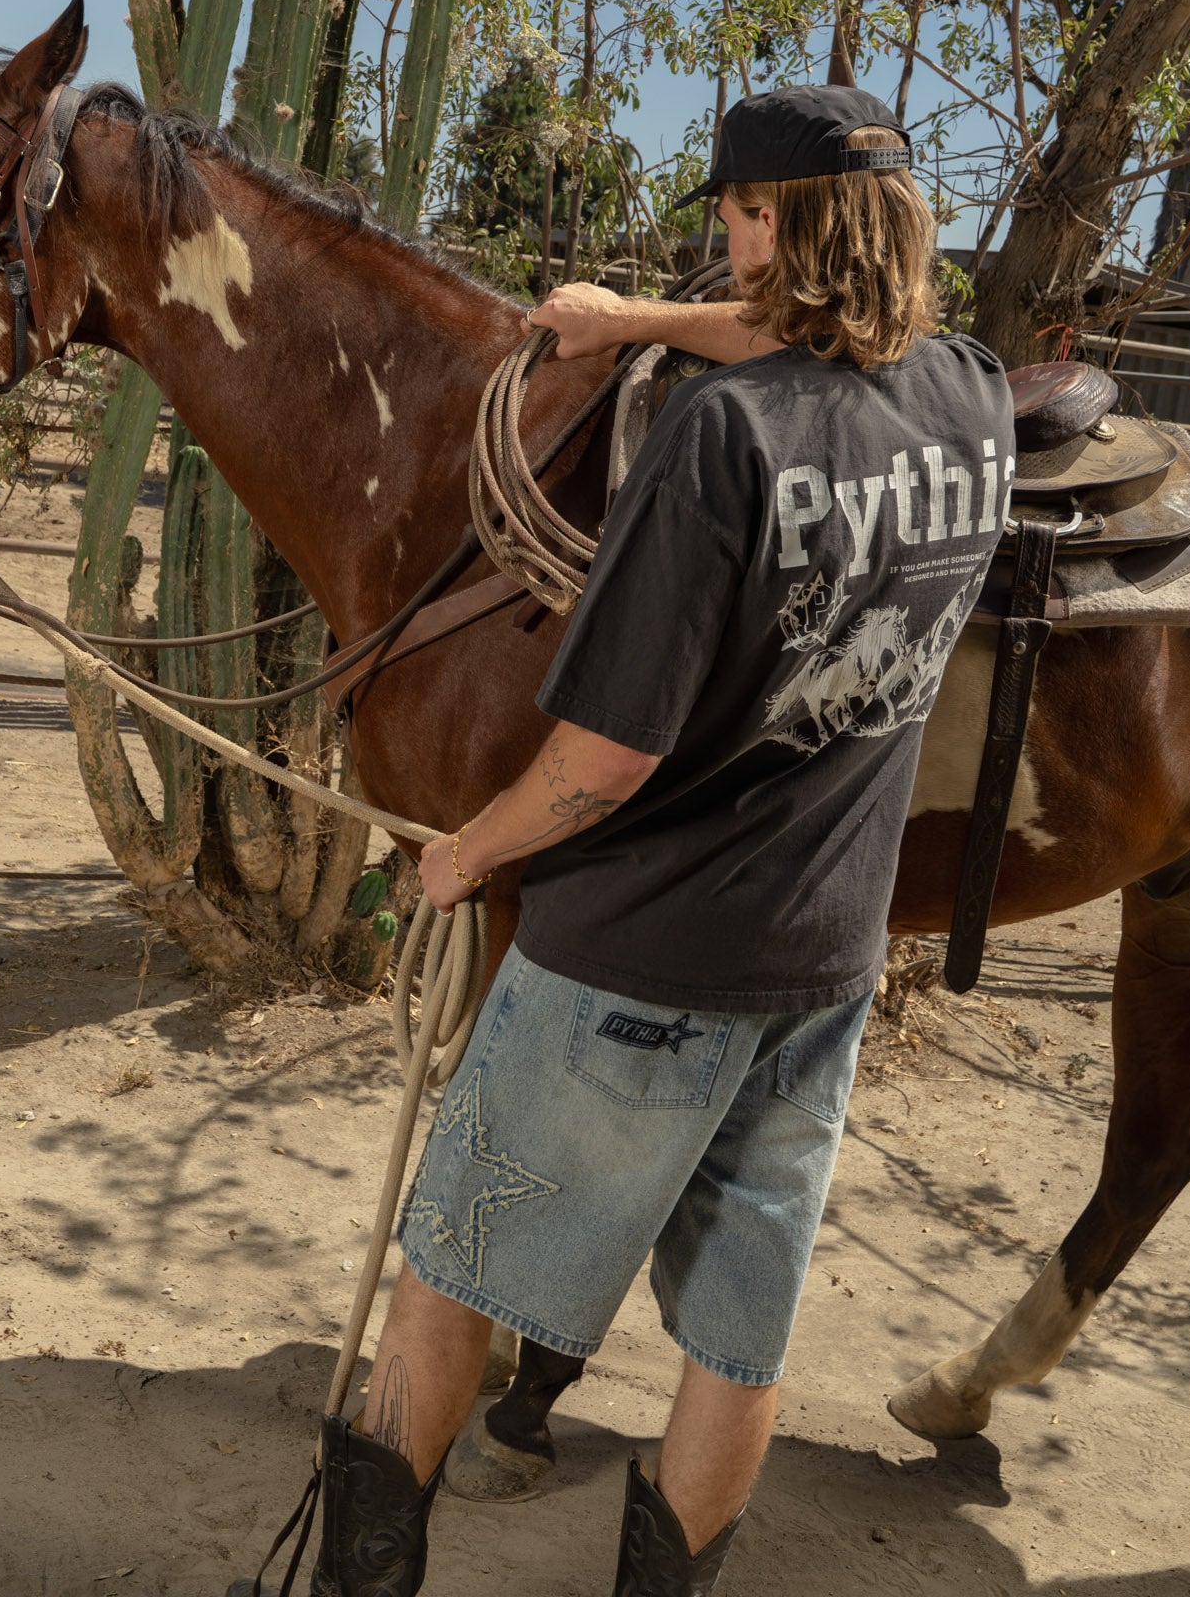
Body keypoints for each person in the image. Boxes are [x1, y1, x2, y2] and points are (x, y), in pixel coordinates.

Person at [231, 85, 1015, 1597]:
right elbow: (810, 345)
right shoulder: (970, 394)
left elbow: (605, 759)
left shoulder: (721, 444)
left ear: (775, 222)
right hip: (824, 963)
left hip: (638, 961)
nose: (719, 247)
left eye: (732, 218)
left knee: (448, 1285)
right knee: (735, 1344)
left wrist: (465, 851)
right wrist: (635, 321)